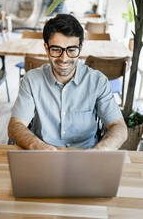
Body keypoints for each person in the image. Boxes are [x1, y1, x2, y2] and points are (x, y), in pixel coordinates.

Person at [8, 14, 127, 150]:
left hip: (87, 155)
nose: (64, 58)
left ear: (80, 48)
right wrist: (38, 146)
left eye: (71, 50)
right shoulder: (31, 80)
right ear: (46, 48)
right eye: (56, 50)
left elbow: (119, 127)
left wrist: (100, 151)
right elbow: (15, 125)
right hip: (42, 154)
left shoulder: (98, 81)